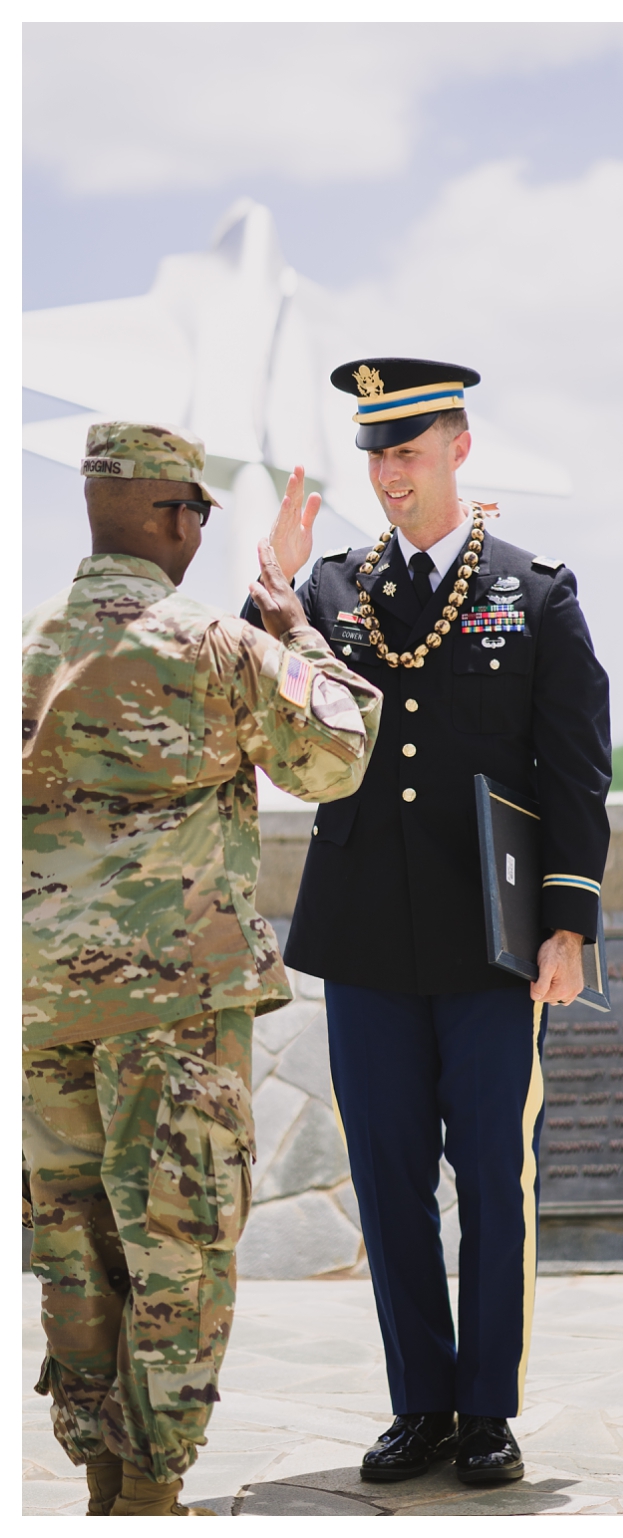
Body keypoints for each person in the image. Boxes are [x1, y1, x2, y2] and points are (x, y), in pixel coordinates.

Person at [241, 358, 612, 1487]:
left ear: (459, 444)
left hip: (490, 941)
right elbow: (273, 718)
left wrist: (568, 922)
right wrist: (275, 597)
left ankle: (488, 1410)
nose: (387, 474)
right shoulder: (337, 589)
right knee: (391, 1178)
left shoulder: (532, 590)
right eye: (374, 453)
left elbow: (576, 771)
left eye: (407, 450)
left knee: (495, 1177)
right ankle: (422, 1406)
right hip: (363, 936)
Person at [24, 423, 381, 1516]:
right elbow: (338, 750)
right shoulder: (213, 647)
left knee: (75, 1246)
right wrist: (301, 634)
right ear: (171, 516)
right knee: (178, 1243)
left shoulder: (28, 644)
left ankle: (98, 1475)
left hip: (44, 1010)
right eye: (197, 513)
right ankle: (152, 1489)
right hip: (176, 1009)